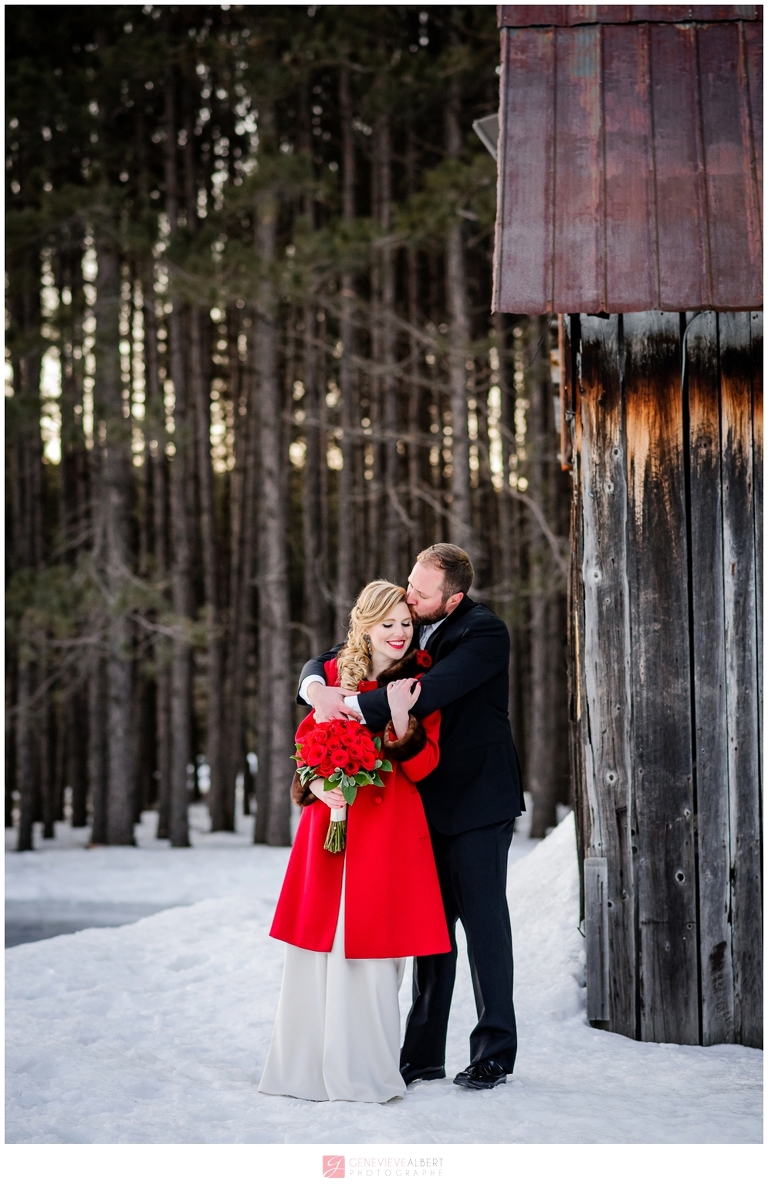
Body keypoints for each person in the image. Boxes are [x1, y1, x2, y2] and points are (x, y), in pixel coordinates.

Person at [298, 543, 523, 1091]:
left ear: (453, 599)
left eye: (421, 593)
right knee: (430, 932)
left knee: (484, 927)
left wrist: (342, 705)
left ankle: (494, 1053)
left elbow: (424, 694)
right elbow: (337, 651)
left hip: (477, 802)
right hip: (422, 802)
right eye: (409, 583)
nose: (409, 595)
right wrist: (314, 687)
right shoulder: (408, 620)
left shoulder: (484, 633)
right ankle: (421, 1056)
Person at [259, 581, 450, 1104]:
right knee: (319, 945)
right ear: (365, 627)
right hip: (332, 828)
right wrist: (318, 784)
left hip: (388, 829)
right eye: (387, 624)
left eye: (405, 623)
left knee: (373, 951)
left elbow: (425, 766)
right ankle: (303, 1072)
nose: (399, 633)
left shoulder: (419, 682)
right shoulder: (331, 679)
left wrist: (402, 718)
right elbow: (306, 744)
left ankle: (362, 1073)